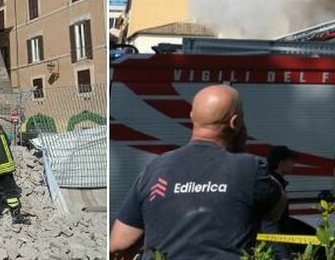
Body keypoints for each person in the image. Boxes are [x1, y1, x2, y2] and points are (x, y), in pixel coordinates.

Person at [111, 85, 287, 259]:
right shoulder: (250, 168)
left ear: (192, 117)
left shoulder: (155, 168)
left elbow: (119, 244)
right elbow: (275, 211)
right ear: (235, 122)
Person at [262, 146, 319, 259]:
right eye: (291, 160)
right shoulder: (273, 187)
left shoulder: (273, 182)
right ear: (281, 163)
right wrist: (283, 255)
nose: (294, 164)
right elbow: (269, 224)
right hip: (272, 248)